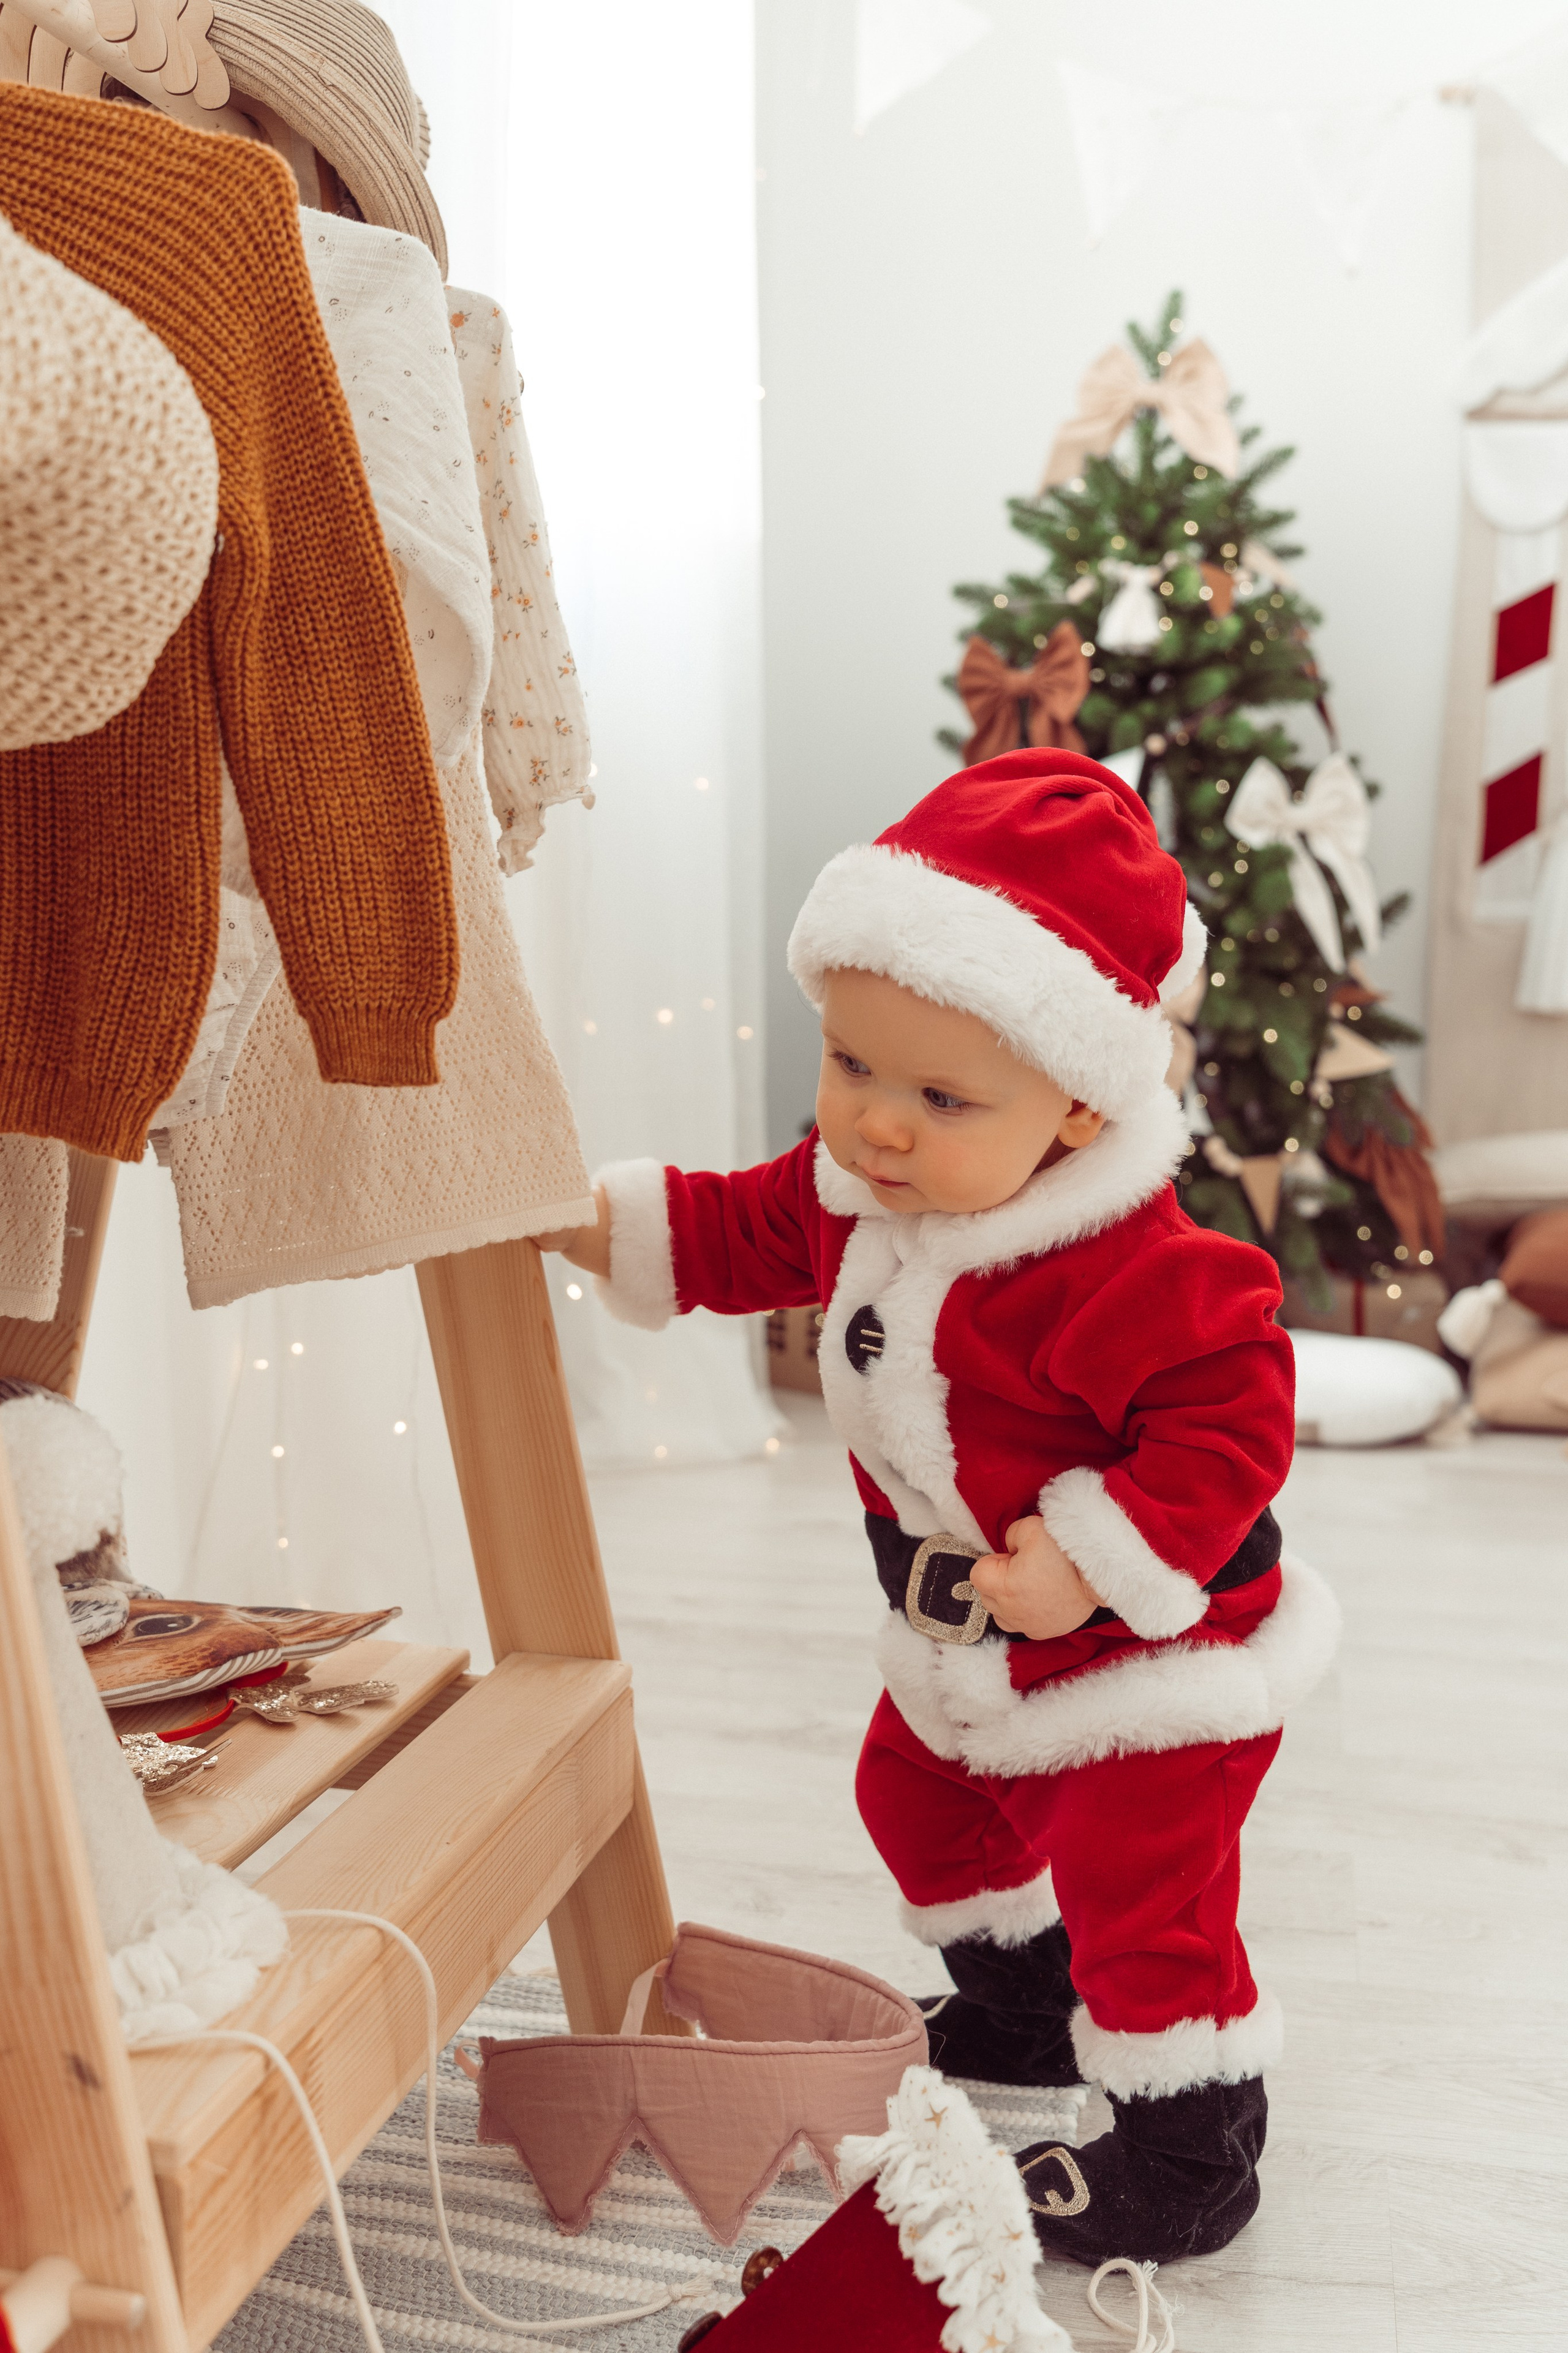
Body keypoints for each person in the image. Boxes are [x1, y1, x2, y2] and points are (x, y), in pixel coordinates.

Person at [539, 747, 1340, 2266]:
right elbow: (735, 1224)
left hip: (1144, 1675)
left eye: (937, 1095)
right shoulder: (863, 1188)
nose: (874, 1126)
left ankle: (1189, 2146)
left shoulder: (1136, 1265)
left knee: (1141, 1908)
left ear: (1080, 1115)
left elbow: (1234, 1412)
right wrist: (594, 1221)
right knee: (913, 1796)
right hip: (973, 1642)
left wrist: (1101, 1555)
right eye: (848, 1065)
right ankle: (1015, 2008)